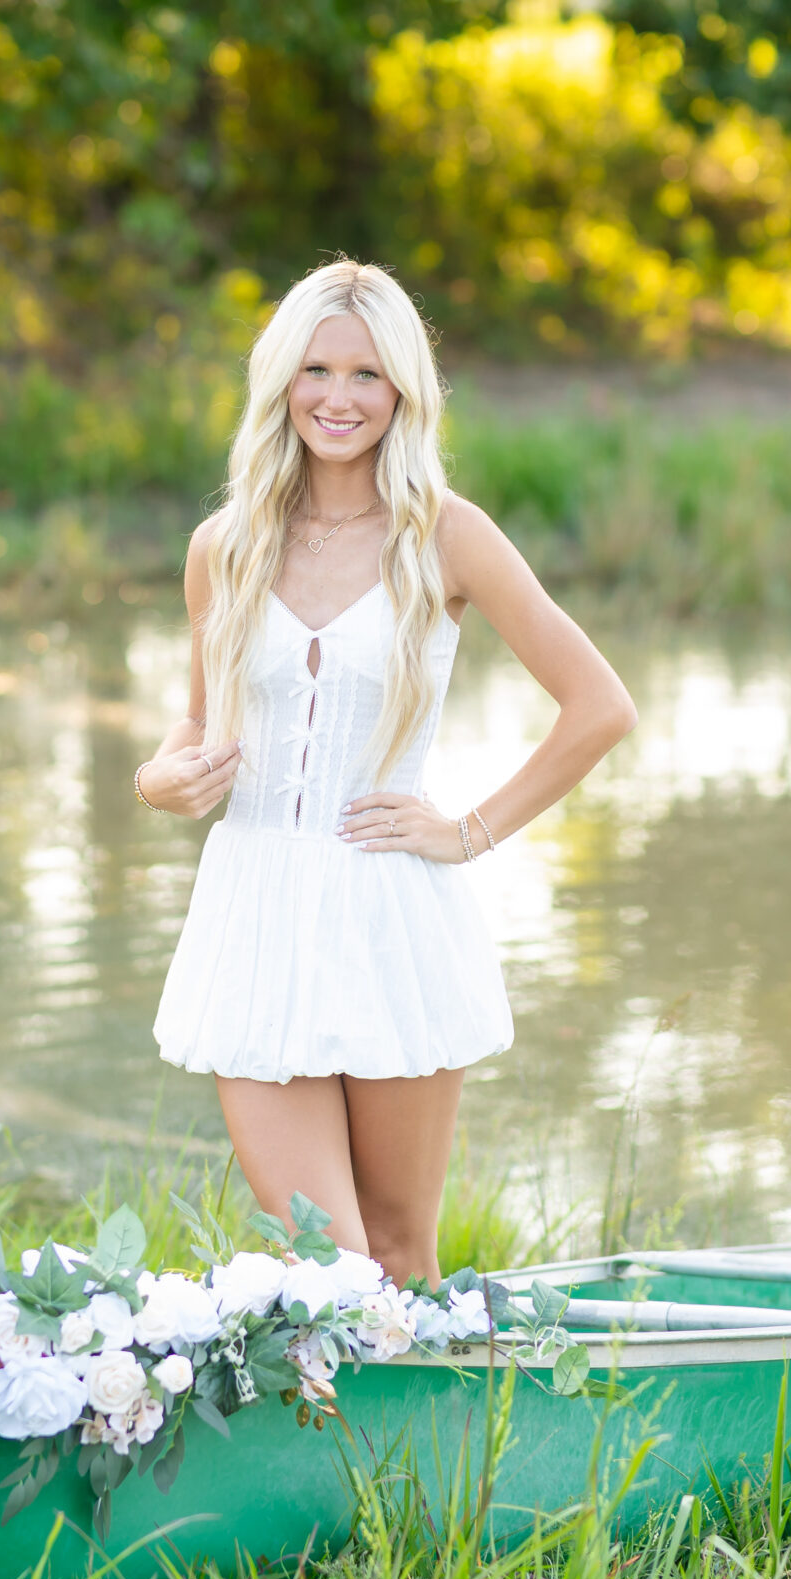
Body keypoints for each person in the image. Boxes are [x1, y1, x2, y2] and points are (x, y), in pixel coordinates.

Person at [135, 260, 635, 1288]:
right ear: (280, 379)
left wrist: (466, 834)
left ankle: (412, 1454)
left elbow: (599, 708)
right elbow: (193, 724)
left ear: (404, 388)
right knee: (326, 1261)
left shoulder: (446, 536)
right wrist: (161, 778)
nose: (338, 398)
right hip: (258, 909)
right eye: (315, 369)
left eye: (366, 374)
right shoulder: (222, 547)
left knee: (400, 1257)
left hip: (393, 915)